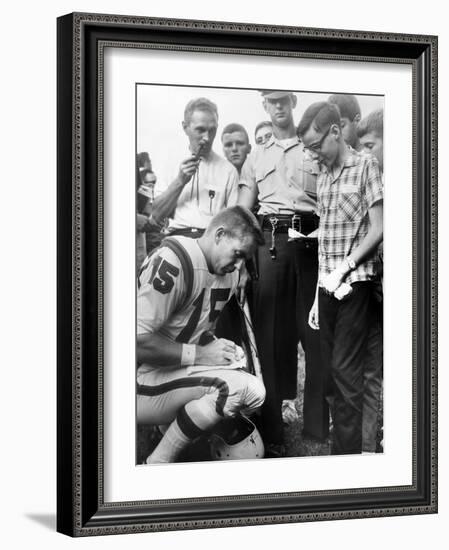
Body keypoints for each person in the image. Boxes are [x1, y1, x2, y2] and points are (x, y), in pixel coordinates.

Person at [137, 206, 266, 463]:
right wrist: (202, 354)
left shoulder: (226, 274)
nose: (239, 265)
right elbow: (135, 342)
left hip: (166, 374)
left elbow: (194, 329)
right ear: (219, 235)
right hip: (135, 380)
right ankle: (157, 463)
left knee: (249, 389)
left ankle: (180, 441)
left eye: (245, 260)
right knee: (240, 388)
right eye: (238, 254)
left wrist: (219, 348)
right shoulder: (174, 260)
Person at [238, 90, 329, 454]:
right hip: (271, 243)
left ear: (292, 101)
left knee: (316, 334)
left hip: (312, 243)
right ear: (263, 105)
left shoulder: (313, 147)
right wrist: (244, 260)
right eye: (270, 101)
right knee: (272, 338)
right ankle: (272, 430)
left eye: (282, 100)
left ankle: (317, 427)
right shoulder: (256, 157)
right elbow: (245, 210)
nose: (277, 106)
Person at [297, 101, 383, 455]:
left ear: (335, 131)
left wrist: (345, 267)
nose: (314, 155)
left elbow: (379, 229)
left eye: (317, 146)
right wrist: (318, 298)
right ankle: (343, 453)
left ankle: (349, 460)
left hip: (355, 283)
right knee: (330, 378)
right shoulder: (324, 177)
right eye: (309, 149)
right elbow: (325, 243)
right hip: (327, 289)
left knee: (347, 376)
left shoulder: (366, 165)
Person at [151, 97, 239, 238]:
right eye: (200, 130)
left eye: (212, 130)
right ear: (185, 127)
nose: (207, 138)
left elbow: (233, 225)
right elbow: (156, 215)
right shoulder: (170, 163)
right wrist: (180, 181)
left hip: (212, 242)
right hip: (177, 240)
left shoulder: (228, 171)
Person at [357, 108, 384, 453]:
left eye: (371, 145)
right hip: (375, 288)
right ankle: (366, 446)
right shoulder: (371, 181)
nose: (365, 154)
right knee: (372, 368)